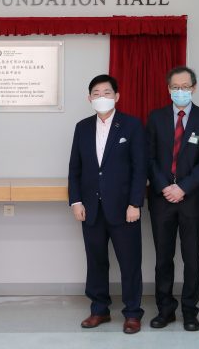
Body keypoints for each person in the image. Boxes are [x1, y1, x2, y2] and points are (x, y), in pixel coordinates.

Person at [68, 74, 146, 334]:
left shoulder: (132, 126)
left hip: (125, 209)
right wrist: (76, 201)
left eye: (107, 92)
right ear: (89, 98)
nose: (102, 97)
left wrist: (135, 203)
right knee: (96, 261)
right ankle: (99, 309)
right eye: (97, 93)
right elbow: (75, 168)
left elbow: (139, 168)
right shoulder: (82, 127)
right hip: (91, 208)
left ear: (117, 96)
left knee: (130, 263)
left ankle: (133, 313)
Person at [146, 66, 199, 331]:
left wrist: (183, 188)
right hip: (161, 199)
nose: (180, 91)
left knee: (191, 258)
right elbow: (149, 157)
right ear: (168, 89)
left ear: (194, 88)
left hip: (192, 199)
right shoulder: (156, 118)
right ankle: (165, 310)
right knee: (163, 258)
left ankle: (190, 311)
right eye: (175, 87)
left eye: (185, 87)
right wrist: (165, 186)